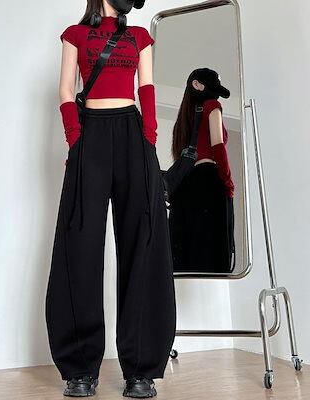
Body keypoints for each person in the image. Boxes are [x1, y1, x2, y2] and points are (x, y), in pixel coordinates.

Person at [45, 0, 176, 397]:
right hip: (90, 135)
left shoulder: (139, 36)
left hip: (133, 136)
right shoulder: (76, 35)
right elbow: (66, 89)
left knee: (143, 241)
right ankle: (80, 369)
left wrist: (149, 138)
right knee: (80, 242)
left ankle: (141, 369)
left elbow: (146, 88)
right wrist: (75, 138)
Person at [168, 68, 235, 273]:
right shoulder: (212, 106)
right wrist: (227, 181)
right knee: (211, 250)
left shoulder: (184, 120)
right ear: (196, 84)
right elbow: (218, 146)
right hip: (208, 181)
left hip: (185, 187)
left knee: (187, 249)